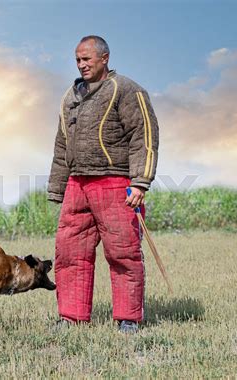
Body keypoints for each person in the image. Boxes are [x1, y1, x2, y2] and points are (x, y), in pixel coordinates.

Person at [47, 35, 159, 333]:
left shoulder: (126, 89)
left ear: (104, 58)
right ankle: (70, 317)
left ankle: (128, 319)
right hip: (77, 183)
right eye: (78, 60)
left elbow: (143, 136)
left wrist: (140, 182)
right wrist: (58, 187)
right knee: (69, 252)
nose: (81, 64)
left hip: (116, 181)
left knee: (123, 252)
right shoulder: (70, 96)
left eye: (87, 59)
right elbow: (62, 145)